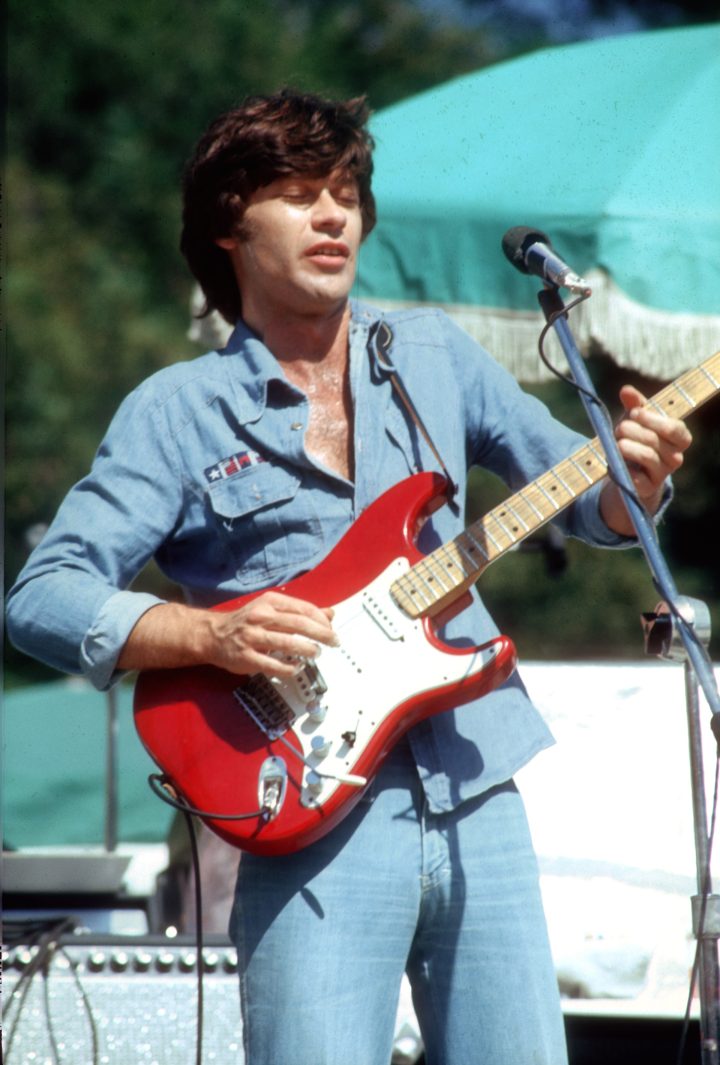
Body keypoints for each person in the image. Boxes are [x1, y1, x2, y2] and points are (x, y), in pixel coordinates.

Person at [6, 89, 692, 1065]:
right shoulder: (173, 411)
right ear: (229, 225)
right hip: (306, 806)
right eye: (297, 192)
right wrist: (210, 635)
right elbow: (44, 595)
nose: (334, 214)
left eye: (344, 191)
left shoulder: (431, 352)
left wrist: (638, 485)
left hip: (475, 784)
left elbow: (587, 499)